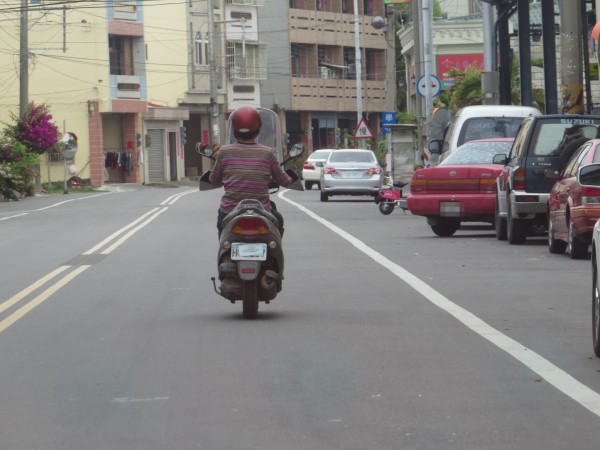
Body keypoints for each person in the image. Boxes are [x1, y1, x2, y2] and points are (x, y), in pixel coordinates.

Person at [209, 106, 293, 238]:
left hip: (230, 210)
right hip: (261, 210)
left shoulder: (224, 152)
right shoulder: (267, 153)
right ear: (258, 129)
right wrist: (290, 180)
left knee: (222, 227)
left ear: (234, 130)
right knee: (278, 221)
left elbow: (214, 179)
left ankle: (225, 251)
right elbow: (283, 180)